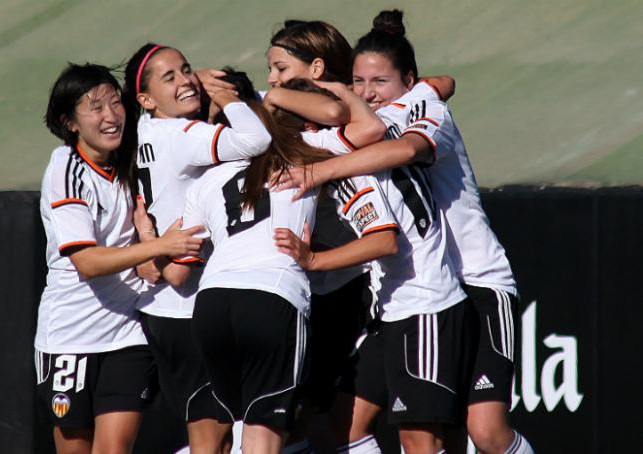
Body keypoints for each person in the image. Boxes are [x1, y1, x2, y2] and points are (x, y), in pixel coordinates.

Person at [277, 9, 534, 454]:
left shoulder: (426, 109)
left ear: (408, 81)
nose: (368, 92)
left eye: (379, 81)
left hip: (475, 282)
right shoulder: (364, 116)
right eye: (359, 81)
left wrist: (318, 172)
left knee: (485, 433)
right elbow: (435, 83)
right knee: (345, 425)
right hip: (404, 293)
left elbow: (405, 147)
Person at [36, 62, 203, 454]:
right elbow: (87, 263)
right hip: (70, 337)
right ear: (70, 122)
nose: (110, 116)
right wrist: (161, 246)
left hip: (129, 333)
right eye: (95, 107)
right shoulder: (67, 169)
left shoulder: (132, 159)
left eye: (115, 102)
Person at [122, 43, 272, 454]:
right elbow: (255, 138)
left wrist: (186, 82)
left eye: (187, 70)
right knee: (212, 436)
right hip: (186, 305)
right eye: (169, 77)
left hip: (161, 307)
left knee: (216, 434)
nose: (186, 80)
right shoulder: (183, 135)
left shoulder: (143, 130)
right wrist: (225, 97)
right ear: (146, 98)